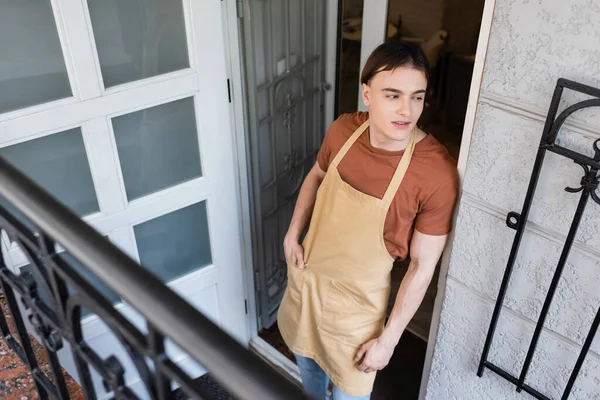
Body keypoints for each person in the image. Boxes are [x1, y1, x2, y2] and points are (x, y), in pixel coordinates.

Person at [277, 41, 459, 399]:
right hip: (309, 281)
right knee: (308, 371)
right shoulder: (343, 131)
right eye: (393, 95)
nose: (407, 110)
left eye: (417, 97)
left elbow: (422, 268)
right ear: (367, 94)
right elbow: (316, 175)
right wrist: (292, 233)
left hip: (357, 313)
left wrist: (388, 341)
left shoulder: (436, 173)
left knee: (350, 394)